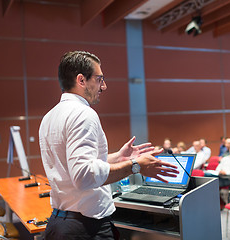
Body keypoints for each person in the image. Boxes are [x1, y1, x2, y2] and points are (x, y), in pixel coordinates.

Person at [39, 51, 179, 240]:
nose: (103, 86)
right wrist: (135, 166)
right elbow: (83, 176)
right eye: (99, 79)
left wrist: (118, 158)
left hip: (60, 223)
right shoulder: (83, 114)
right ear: (81, 80)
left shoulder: (50, 117)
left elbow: (72, 166)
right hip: (85, 229)